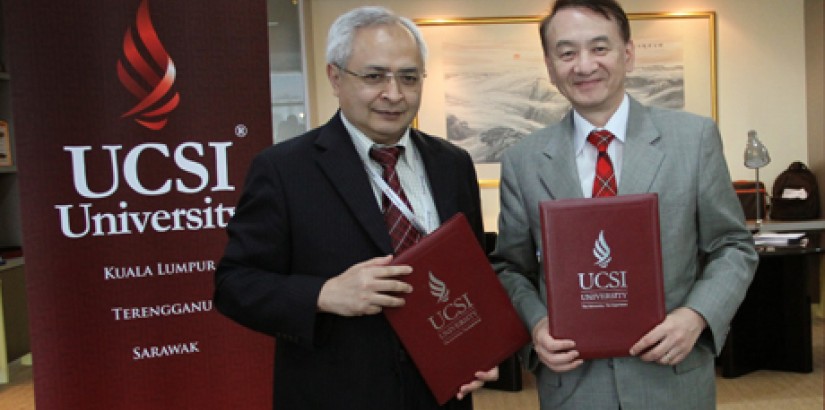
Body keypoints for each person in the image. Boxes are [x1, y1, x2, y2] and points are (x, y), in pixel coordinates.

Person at [214, 6, 496, 410]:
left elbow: (473, 274)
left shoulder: (452, 164)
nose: (394, 94)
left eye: (409, 77)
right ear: (335, 77)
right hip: (337, 394)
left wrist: (480, 350)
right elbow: (234, 285)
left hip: (443, 395)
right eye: (374, 76)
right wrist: (324, 294)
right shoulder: (283, 169)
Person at [491, 0, 758, 408]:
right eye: (567, 53)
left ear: (627, 54)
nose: (584, 65)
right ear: (549, 65)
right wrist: (537, 323)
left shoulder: (693, 138)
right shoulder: (523, 160)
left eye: (600, 48)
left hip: (671, 379)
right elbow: (511, 267)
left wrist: (697, 316)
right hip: (574, 387)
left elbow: (734, 247)